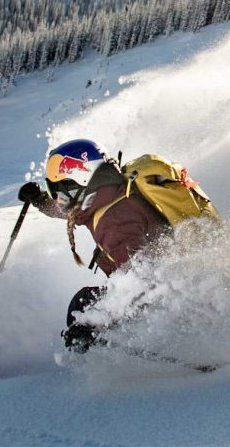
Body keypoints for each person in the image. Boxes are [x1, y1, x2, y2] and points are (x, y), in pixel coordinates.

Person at [18, 138, 170, 353]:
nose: (60, 200)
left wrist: (91, 322)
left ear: (83, 181)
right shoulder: (109, 194)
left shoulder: (115, 220)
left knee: (82, 304)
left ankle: (109, 362)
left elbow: (142, 281)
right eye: (56, 192)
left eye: (64, 190)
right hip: (160, 286)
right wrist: (41, 200)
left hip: (166, 301)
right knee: (84, 302)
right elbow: (72, 211)